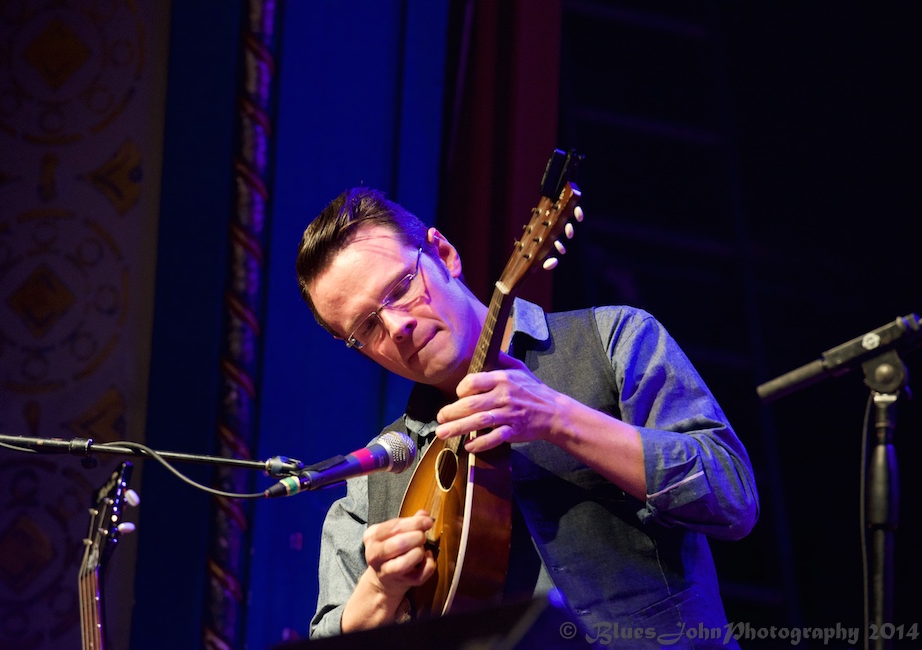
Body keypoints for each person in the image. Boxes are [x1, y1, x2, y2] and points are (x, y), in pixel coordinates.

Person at [296, 187, 759, 646]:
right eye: (366, 328)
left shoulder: (614, 337)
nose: (397, 327)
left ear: (443, 254)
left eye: (401, 288)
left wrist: (558, 417)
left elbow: (732, 498)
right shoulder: (377, 476)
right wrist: (380, 590)